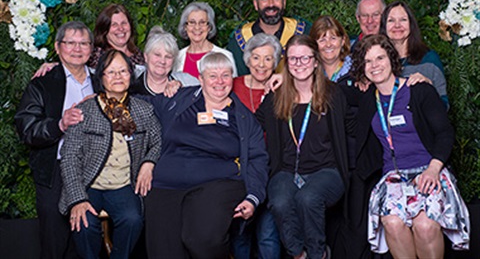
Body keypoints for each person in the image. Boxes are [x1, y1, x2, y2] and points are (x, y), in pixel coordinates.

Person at [350, 34, 470, 258]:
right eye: (368, 61)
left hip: (428, 170)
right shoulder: (367, 99)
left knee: (424, 226)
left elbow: (445, 133)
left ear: (391, 59)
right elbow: (328, 90)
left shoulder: (419, 90)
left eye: (380, 58)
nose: (375, 66)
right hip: (393, 176)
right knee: (393, 223)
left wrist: (433, 169)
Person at [143, 52, 269, 258]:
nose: (219, 82)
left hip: (218, 184)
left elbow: (257, 160)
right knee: (165, 252)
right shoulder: (179, 99)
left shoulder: (244, 118)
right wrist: (101, 99)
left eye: (225, 75)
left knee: (201, 240)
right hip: (166, 185)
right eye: (212, 76)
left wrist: (253, 197)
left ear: (233, 79)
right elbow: (140, 105)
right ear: (200, 79)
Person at [58, 49, 162, 259]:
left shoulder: (143, 110)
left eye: (123, 71)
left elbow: (157, 141)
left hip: (123, 185)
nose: (117, 77)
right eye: (111, 72)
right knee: (84, 224)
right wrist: (78, 199)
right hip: (89, 185)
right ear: (101, 77)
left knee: (133, 220)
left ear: (130, 76)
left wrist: (148, 163)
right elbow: (69, 157)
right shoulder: (84, 110)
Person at [256, 35, 351, 259]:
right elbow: (250, 124)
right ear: (286, 63)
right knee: (279, 202)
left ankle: (319, 255)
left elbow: (357, 117)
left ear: (316, 61)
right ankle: (299, 255)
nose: (299, 64)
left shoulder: (333, 94)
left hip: (326, 170)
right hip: (286, 170)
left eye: (305, 58)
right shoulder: (277, 96)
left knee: (307, 199)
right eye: (293, 59)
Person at [15, 21, 94, 259]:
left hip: (94, 169)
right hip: (55, 170)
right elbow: (26, 129)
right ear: (58, 48)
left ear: (91, 49)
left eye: (83, 43)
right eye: (70, 43)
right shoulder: (43, 83)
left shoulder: (104, 81)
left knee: (89, 238)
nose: (77, 49)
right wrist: (59, 124)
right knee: (54, 241)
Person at [230, 33, 282, 259]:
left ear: (276, 62)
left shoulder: (282, 88)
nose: (261, 65)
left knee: (267, 234)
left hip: (271, 168)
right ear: (247, 60)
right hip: (238, 169)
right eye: (256, 58)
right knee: (240, 234)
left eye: (268, 59)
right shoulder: (232, 85)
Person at [33, 4, 145, 78]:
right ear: (104, 30)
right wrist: (54, 67)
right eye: (114, 25)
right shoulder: (95, 55)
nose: (120, 29)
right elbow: (75, 67)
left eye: (124, 23)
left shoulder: (139, 54)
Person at [227, 0, 311, 76]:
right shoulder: (239, 40)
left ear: (284, 2)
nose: (271, 4)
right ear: (255, 4)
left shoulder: (304, 32)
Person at [379, 1, 449, 108]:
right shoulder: (377, 63)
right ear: (384, 27)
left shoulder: (429, 59)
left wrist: (428, 88)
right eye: (391, 20)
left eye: (403, 20)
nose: (397, 25)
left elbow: (444, 106)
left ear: (411, 25)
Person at [174, 2, 237, 78]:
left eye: (202, 22)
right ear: (185, 27)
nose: (197, 27)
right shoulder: (177, 57)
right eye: (192, 22)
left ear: (209, 27)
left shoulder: (225, 55)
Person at [130, 25, 198, 95]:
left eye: (168, 57)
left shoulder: (186, 81)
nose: (162, 61)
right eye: (157, 55)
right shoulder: (132, 85)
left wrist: (183, 90)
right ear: (146, 56)